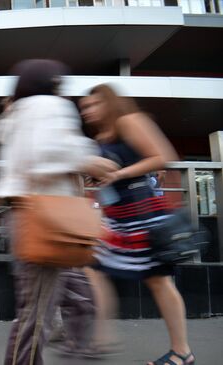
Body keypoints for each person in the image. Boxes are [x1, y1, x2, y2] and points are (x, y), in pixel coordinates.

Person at [0, 59, 118, 365]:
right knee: (36, 314)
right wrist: (90, 160)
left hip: (29, 216)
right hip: (48, 220)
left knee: (46, 305)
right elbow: (46, 152)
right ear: (51, 83)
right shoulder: (48, 106)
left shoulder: (19, 113)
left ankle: (78, 343)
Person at [79, 84, 195, 365]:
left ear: (109, 103)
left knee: (158, 280)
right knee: (93, 268)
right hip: (118, 218)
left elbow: (162, 156)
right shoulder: (102, 137)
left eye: (94, 105)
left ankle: (182, 352)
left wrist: (118, 174)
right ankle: (102, 337)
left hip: (142, 214)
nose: (88, 112)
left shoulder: (129, 121)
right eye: (84, 108)